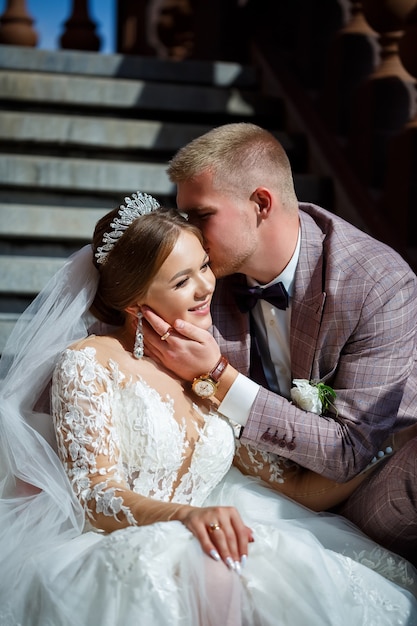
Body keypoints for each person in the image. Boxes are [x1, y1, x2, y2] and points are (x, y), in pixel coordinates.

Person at [0, 192, 416, 626]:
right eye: (181, 282)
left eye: (203, 265)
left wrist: (378, 446)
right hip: (124, 541)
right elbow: (95, 494)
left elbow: (293, 489)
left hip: (211, 533)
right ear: (133, 303)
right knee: (211, 569)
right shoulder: (90, 362)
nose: (205, 287)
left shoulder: (205, 375)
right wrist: (189, 517)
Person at [141, 122, 417, 566]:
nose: (186, 232)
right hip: (257, 487)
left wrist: (220, 378)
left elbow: (351, 451)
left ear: (261, 203)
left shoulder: (376, 283)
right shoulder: (202, 279)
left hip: (369, 484)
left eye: (201, 215)